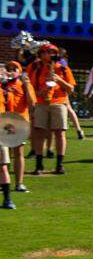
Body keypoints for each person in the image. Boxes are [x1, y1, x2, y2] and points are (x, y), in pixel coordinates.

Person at [27, 43, 74, 176]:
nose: (50, 55)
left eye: (52, 53)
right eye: (46, 53)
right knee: (39, 133)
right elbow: (31, 90)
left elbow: (71, 89)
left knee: (60, 133)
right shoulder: (35, 69)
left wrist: (59, 80)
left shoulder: (63, 69)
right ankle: (39, 164)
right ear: (41, 55)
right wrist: (43, 90)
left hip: (59, 103)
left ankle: (59, 164)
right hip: (41, 103)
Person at [2, 60, 32, 194]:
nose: (12, 70)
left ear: (19, 72)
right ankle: (4, 182)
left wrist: (26, 85)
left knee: (18, 152)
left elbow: (32, 103)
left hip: (20, 121)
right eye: (9, 68)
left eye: (15, 68)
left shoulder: (24, 84)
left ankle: (19, 183)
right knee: (4, 154)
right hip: (4, 121)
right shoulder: (3, 85)